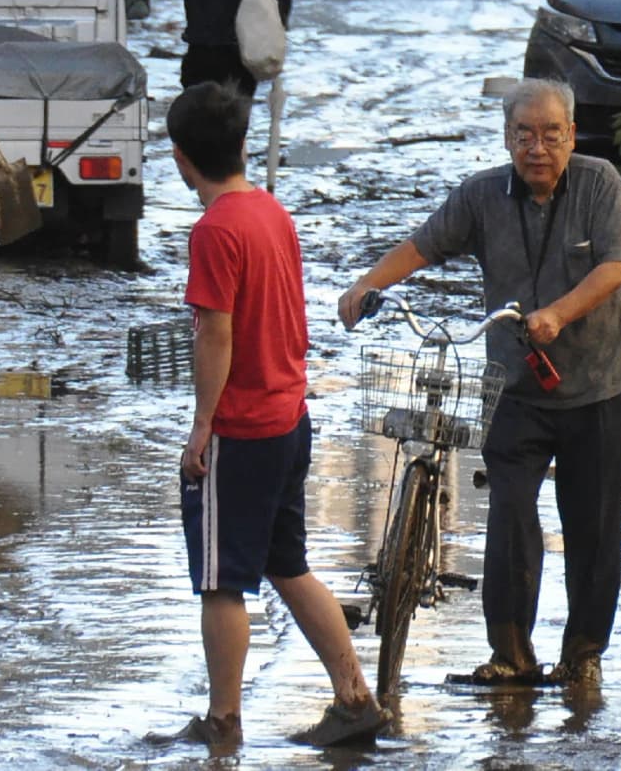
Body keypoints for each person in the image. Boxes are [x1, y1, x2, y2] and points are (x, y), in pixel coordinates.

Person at [337, 78, 621, 689]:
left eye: (551, 134)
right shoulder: (481, 197)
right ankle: (510, 653)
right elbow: (423, 245)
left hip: (597, 387)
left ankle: (583, 655)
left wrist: (558, 312)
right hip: (513, 388)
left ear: (571, 136)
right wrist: (367, 286)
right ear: (507, 139)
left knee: (593, 529)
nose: (538, 147)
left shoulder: (599, 183)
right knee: (508, 514)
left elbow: (616, 266)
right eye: (524, 135)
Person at [154, 83, 388, 750]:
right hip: (291, 417)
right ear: (241, 145)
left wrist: (202, 427)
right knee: (288, 564)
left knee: (221, 580)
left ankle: (223, 722)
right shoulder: (270, 212)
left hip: (244, 428)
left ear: (179, 158)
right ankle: (354, 697)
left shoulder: (214, 230)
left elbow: (215, 335)